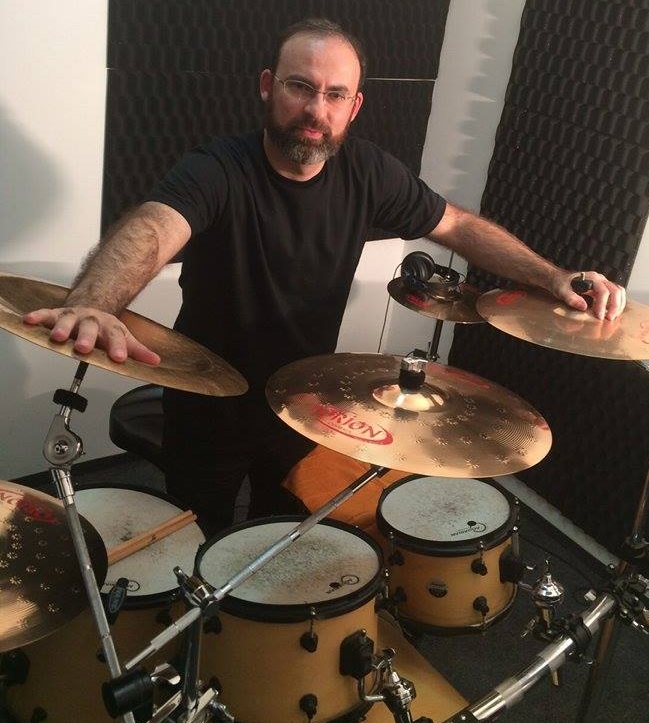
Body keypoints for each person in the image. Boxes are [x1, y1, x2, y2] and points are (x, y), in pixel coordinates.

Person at [24, 18, 626, 535]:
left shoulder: (370, 172)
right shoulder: (217, 168)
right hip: (207, 401)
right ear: (268, 86)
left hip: (304, 397)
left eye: (336, 94)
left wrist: (551, 277)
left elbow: (458, 225)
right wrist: (97, 302)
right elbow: (154, 228)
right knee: (196, 532)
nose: (317, 110)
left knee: (281, 533)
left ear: (354, 105)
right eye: (300, 87)